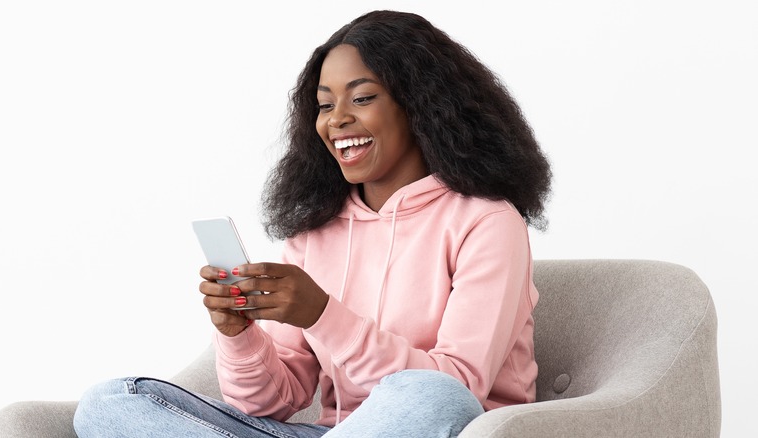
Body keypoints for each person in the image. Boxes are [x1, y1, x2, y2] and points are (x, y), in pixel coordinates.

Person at [73, 9, 552, 438]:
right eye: (325, 105)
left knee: (429, 395)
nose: (336, 121)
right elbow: (272, 404)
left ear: (420, 106)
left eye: (361, 98)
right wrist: (238, 335)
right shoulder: (315, 232)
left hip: (439, 427)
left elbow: (459, 388)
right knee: (111, 403)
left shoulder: (487, 221)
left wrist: (323, 314)